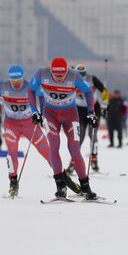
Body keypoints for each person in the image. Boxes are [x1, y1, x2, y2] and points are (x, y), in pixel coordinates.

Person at [0, 65, 80, 197]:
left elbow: (42, 97)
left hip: (29, 124)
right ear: (9, 79)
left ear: (23, 78)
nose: (16, 83)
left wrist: (42, 113)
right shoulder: (2, 87)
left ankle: (66, 180)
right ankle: (13, 182)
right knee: (12, 153)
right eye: (13, 81)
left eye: (18, 80)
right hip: (11, 125)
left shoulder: (29, 86)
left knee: (47, 153)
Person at [28, 56, 99, 200]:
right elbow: (30, 90)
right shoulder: (42, 73)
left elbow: (88, 92)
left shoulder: (74, 76)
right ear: (52, 71)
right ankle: (60, 185)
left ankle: (85, 187)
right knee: (54, 146)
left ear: (67, 71)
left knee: (74, 149)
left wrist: (91, 113)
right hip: (50, 115)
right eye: (56, 75)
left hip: (70, 115)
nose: (59, 78)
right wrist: (35, 111)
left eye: (62, 75)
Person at [67, 64, 108, 173]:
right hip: (79, 110)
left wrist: (104, 106)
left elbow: (104, 91)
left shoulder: (91, 78)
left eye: (84, 74)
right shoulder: (70, 79)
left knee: (92, 134)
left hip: (94, 108)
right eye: (79, 74)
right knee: (79, 136)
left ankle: (94, 160)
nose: (82, 76)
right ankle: (73, 162)